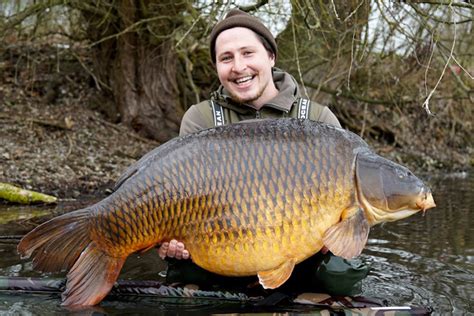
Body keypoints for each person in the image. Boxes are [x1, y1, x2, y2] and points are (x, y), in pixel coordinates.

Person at [157, 8, 369, 296]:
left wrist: (337, 236)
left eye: (248, 53)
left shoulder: (319, 120)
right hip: (222, 244)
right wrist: (168, 239)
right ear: (217, 67)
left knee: (340, 273)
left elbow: (352, 208)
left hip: (302, 253)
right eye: (226, 58)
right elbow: (181, 198)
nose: (238, 66)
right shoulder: (200, 120)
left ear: (271, 57)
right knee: (183, 266)